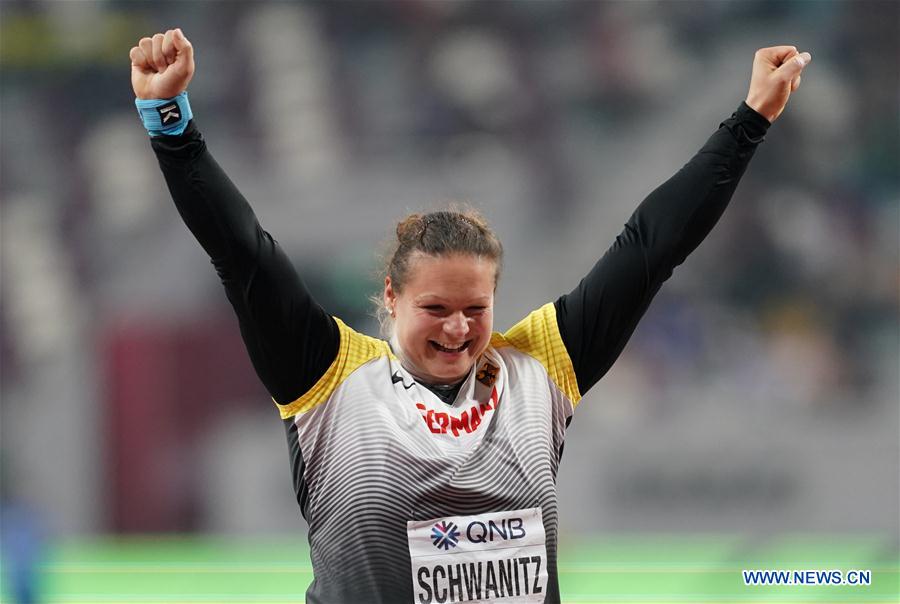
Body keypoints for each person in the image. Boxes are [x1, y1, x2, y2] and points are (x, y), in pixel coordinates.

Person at [130, 28, 811, 604]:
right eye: (436, 308)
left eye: (474, 309)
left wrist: (748, 120)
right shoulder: (329, 379)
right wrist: (170, 124)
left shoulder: (538, 367)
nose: (458, 328)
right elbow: (242, 252)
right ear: (392, 300)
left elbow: (650, 248)